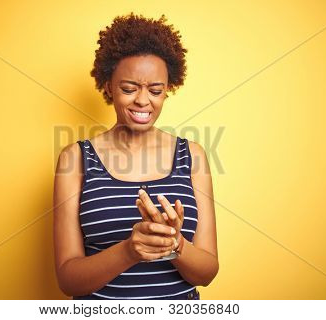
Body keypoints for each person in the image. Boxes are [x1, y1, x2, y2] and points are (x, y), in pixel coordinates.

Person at [53, 12, 219, 300]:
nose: (143, 100)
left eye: (156, 90)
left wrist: (174, 243)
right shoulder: (75, 159)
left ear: (168, 90)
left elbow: (206, 273)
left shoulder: (192, 156)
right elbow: (68, 280)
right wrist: (129, 250)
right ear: (108, 86)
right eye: (129, 88)